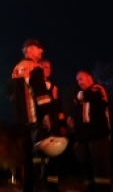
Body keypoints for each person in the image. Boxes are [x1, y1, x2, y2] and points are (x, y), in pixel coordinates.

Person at [9, 39, 57, 192]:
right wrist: (48, 114)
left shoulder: (16, 69)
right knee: (39, 156)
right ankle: (39, 186)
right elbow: (41, 94)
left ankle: (27, 187)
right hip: (35, 119)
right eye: (38, 48)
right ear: (29, 50)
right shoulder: (35, 67)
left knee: (26, 157)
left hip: (21, 120)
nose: (41, 51)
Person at [69, 69, 112, 192]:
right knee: (86, 167)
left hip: (98, 135)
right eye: (77, 80)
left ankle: (103, 190)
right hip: (83, 138)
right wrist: (72, 123)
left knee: (100, 166)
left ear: (89, 78)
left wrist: (78, 97)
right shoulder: (80, 97)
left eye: (81, 79)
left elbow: (90, 96)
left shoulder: (98, 89)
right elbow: (77, 113)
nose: (79, 82)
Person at [40, 59, 68, 192]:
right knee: (41, 156)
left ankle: (53, 186)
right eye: (44, 66)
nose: (47, 69)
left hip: (55, 125)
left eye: (49, 67)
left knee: (54, 156)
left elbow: (59, 106)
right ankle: (40, 184)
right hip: (41, 124)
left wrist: (62, 124)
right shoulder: (35, 85)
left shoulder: (54, 86)